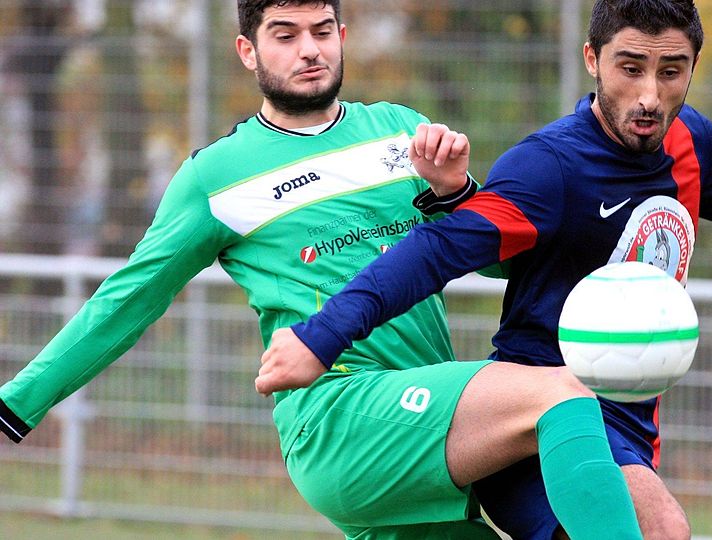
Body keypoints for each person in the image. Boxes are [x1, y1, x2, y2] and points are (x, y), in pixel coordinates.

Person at [255, 0, 712, 538]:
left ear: (691, 69)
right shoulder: (549, 168)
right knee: (657, 529)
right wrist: (322, 336)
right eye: (631, 68)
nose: (650, 95)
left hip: (626, 424)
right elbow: (435, 251)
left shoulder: (692, 145)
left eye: (671, 71)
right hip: (538, 427)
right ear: (592, 60)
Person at [0, 2, 648, 539]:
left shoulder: (401, 130)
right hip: (336, 416)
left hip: (426, 429)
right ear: (248, 51)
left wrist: (455, 192)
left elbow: (507, 266)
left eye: (321, 31)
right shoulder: (215, 177)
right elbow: (126, 299)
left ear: (342, 36)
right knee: (560, 394)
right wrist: (15, 405)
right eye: (285, 35)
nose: (309, 50)